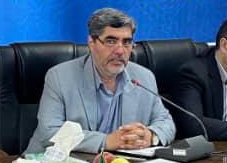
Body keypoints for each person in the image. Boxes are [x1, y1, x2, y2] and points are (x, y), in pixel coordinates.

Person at [25, 8, 175, 154]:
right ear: (91, 42)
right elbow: (49, 132)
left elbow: (166, 122)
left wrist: (150, 136)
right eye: (111, 41)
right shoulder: (59, 77)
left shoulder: (144, 77)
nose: (120, 50)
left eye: (126, 42)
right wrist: (106, 141)